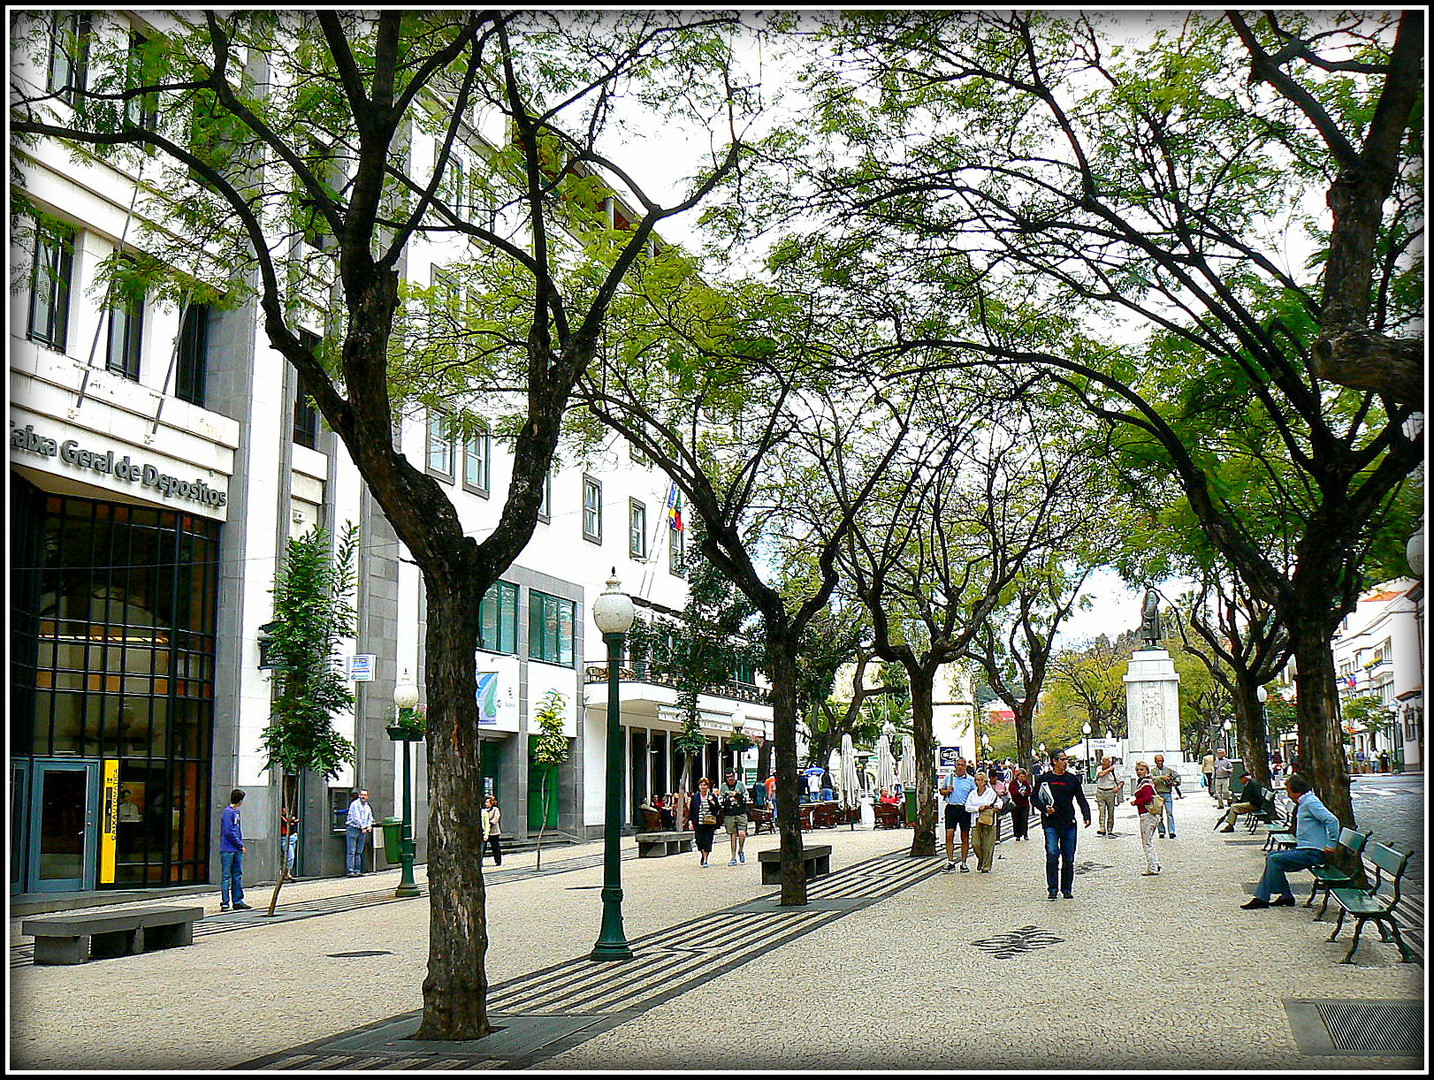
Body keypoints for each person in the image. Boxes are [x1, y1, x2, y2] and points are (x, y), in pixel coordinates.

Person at [1242, 773, 1340, 909]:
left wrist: (1331, 844)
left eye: (1289, 792)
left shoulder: (1311, 803)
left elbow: (1332, 820)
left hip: (1313, 852)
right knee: (1271, 856)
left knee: (1275, 860)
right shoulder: (1306, 801)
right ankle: (1282, 896)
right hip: (1306, 849)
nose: (1288, 795)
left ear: (1297, 792)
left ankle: (1265, 897)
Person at [1033, 751, 1091, 900]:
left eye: (1066, 759)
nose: (1065, 762)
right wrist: (1044, 808)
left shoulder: (1072, 779)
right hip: (1051, 822)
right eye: (1062, 759)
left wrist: (1086, 815)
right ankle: (1052, 888)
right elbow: (1034, 798)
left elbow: (1080, 798)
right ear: (1054, 761)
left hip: (1068, 822)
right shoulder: (1045, 779)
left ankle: (1066, 888)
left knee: (1068, 858)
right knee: (1052, 853)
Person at [939, 758, 976, 873]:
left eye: (962, 765)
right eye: (958, 765)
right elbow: (941, 790)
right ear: (955, 766)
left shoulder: (970, 780)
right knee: (949, 834)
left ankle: (964, 862)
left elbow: (974, 794)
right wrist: (947, 791)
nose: (960, 767)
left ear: (965, 767)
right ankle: (950, 861)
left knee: (965, 836)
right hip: (951, 807)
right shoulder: (949, 778)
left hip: (964, 809)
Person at [219, 788, 251, 911]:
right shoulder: (228, 812)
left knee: (237, 874)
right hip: (228, 848)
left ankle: (237, 900)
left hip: (235, 847)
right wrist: (239, 844)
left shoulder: (235, 812)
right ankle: (225, 902)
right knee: (227, 876)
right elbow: (229, 831)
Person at [1128, 761, 1162, 876]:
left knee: (1146, 842)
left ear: (1147, 770)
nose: (1139, 772)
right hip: (1151, 815)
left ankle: (1152, 867)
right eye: (1137, 770)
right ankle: (1155, 863)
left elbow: (1147, 798)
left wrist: (1136, 802)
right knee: (1149, 841)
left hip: (1147, 815)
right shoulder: (1148, 782)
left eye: (1141, 769)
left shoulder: (1146, 783)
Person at [965, 770, 1000, 873]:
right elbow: (967, 807)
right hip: (976, 819)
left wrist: (996, 807)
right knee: (975, 843)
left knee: (988, 844)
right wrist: (978, 808)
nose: (978, 782)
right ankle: (981, 859)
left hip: (988, 820)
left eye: (980, 780)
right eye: (977, 780)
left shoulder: (991, 793)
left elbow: (999, 802)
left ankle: (986, 865)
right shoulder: (972, 794)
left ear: (985, 781)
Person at [719, 769, 750, 866]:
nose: (730, 779)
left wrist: (737, 795)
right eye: (728, 777)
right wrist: (727, 799)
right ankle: (733, 857)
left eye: (731, 776)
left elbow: (746, 796)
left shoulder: (740, 785)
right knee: (733, 835)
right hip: (729, 813)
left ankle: (741, 850)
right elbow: (720, 799)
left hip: (740, 812)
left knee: (742, 834)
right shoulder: (724, 787)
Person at [690, 778, 722, 868]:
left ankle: (705, 859)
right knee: (699, 841)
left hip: (709, 822)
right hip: (699, 822)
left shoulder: (711, 796)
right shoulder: (695, 797)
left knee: (708, 841)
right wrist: (690, 821)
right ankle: (702, 853)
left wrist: (712, 802)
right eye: (701, 785)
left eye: (704, 785)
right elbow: (692, 809)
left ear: (708, 786)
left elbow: (717, 809)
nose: (702, 787)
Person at [1149, 754, 1180, 838]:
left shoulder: (1169, 770)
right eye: (1158, 760)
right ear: (1155, 761)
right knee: (1159, 814)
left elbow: (1177, 777)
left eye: (1161, 760)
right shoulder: (1153, 771)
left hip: (1167, 793)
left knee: (1169, 813)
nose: (1160, 762)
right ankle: (1161, 831)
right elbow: (1152, 779)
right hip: (1157, 794)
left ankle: (1171, 831)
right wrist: (1162, 777)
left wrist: (1175, 782)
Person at [345, 789, 374, 877]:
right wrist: (363, 827)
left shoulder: (367, 807)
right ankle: (350, 871)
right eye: (361, 794)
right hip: (353, 829)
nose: (363, 796)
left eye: (364, 795)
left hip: (362, 831)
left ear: (367, 796)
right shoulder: (354, 804)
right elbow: (355, 817)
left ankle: (357, 870)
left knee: (359, 851)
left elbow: (370, 817)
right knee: (351, 851)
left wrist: (369, 825)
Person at [1094, 755, 1123, 836]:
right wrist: (1109, 769)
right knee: (1101, 811)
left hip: (1110, 791)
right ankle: (1102, 828)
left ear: (1109, 762)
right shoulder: (1099, 768)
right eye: (1103, 760)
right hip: (1100, 791)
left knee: (1111, 812)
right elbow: (1101, 774)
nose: (1103, 762)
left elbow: (1121, 781)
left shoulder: (1114, 771)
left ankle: (1109, 829)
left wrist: (1118, 788)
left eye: (1106, 760)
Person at [1007, 767, 1033, 841]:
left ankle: (1025, 833)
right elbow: (1011, 791)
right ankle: (1017, 835)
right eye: (1021, 776)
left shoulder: (1026, 783)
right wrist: (1018, 792)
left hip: (1024, 803)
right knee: (1016, 819)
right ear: (1017, 776)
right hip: (1016, 803)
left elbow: (1029, 791)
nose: (1022, 778)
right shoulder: (1013, 783)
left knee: (1024, 819)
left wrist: (1025, 793)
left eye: (1024, 776)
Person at [480, 794, 503, 866]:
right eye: (486, 802)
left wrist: (490, 823)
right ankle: (480, 861)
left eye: (488, 802)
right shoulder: (484, 811)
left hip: (494, 831)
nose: (486, 804)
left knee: (495, 847)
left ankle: (498, 861)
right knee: (482, 848)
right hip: (485, 831)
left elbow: (496, 818)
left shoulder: (495, 809)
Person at [279, 804, 299, 881]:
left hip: (293, 837)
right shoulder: (282, 818)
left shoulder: (289, 816)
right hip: (285, 838)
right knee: (290, 857)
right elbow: (288, 823)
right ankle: (285, 873)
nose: (286, 810)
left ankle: (288, 873)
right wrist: (293, 821)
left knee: (290, 856)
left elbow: (296, 821)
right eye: (284, 809)